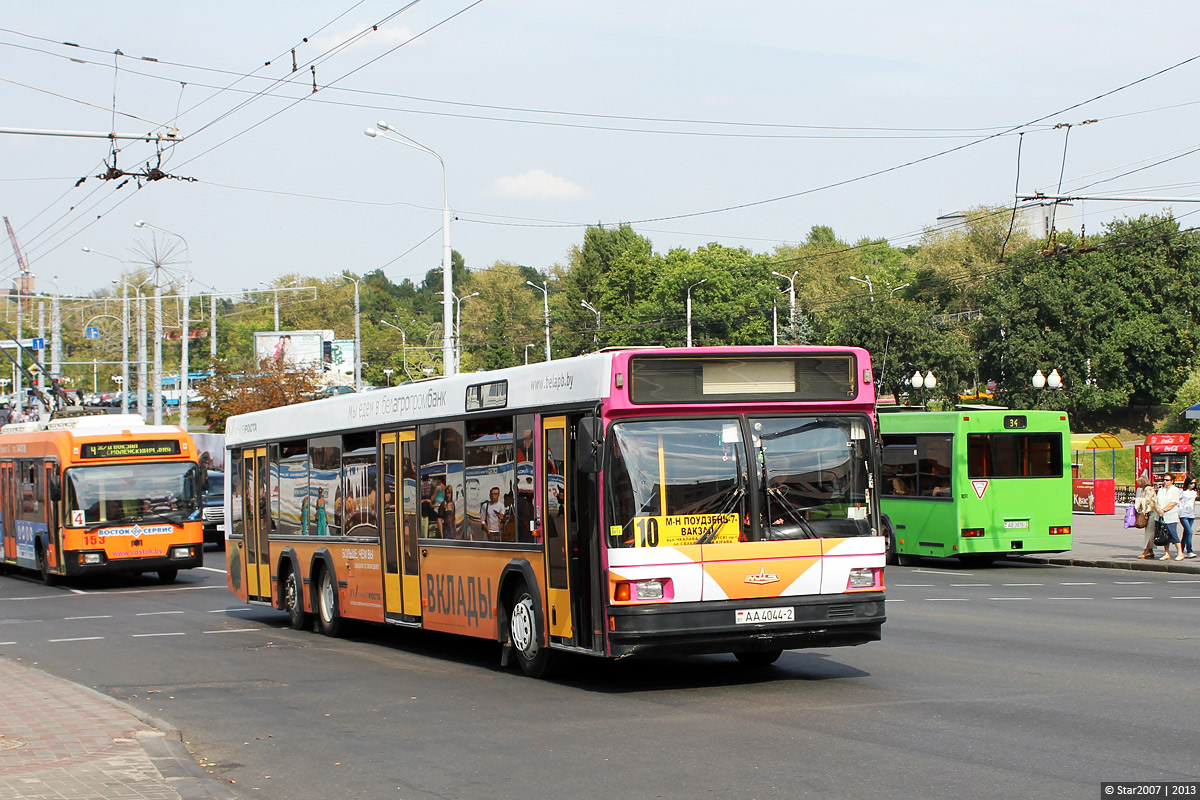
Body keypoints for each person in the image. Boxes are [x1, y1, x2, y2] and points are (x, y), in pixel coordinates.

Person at [1156, 473, 1185, 561]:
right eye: (1164, 480)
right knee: (1164, 534)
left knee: (1172, 533)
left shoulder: (1175, 490)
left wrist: (1163, 510)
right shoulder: (1160, 490)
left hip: (1170, 515)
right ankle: (1166, 553)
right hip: (1160, 516)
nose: (1165, 481)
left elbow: (1173, 502)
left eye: (1167, 480)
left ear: (1172, 481)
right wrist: (1159, 510)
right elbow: (1155, 501)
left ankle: (1180, 552)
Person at [1135, 476, 1158, 559]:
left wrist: (1137, 500)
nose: (1138, 484)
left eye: (1139, 482)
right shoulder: (1144, 489)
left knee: (1149, 532)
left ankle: (1146, 551)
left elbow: (1147, 500)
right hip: (1149, 512)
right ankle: (1150, 551)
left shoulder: (1148, 489)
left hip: (1151, 512)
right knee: (1149, 532)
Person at [1179, 475, 1197, 559]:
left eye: (1194, 483)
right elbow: (1178, 502)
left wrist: (1193, 511)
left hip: (1191, 514)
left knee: (1186, 532)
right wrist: (1180, 511)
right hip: (1183, 514)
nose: (1193, 485)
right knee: (1189, 532)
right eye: (1191, 483)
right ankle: (1189, 550)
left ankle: (1181, 549)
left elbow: (1193, 503)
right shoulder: (1182, 492)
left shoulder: (1194, 493)